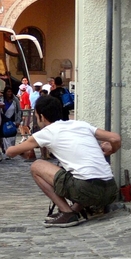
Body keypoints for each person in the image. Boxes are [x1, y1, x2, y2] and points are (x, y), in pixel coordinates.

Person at [6, 95, 121, 228]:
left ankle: (67, 213)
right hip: (111, 190)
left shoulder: (47, 132)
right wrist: (111, 150)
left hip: (88, 190)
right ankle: (75, 210)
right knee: (77, 172)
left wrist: (10, 147)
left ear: (42, 117)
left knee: (37, 166)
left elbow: (11, 152)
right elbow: (115, 138)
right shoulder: (80, 124)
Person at [1, 86, 22, 159]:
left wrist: (18, 120)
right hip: (5, 121)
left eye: (10, 91)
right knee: (5, 138)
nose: (9, 93)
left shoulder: (15, 100)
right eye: (8, 91)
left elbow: (19, 110)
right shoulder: (2, 100)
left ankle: (12, 151)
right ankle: (8, 152)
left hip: (13, 120)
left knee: (12, 138)